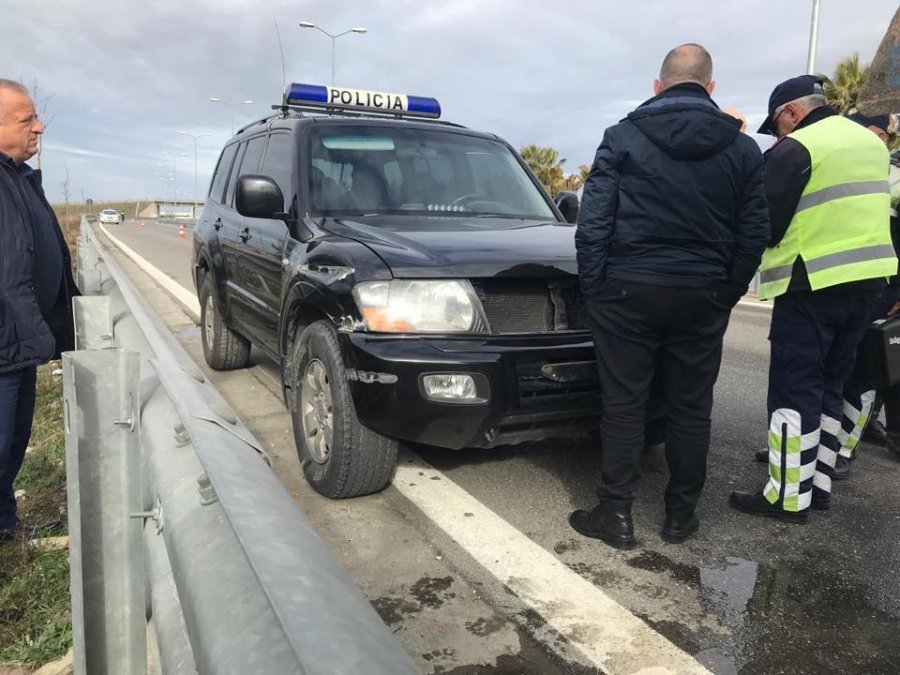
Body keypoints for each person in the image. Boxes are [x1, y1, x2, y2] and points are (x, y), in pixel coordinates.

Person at [571, 44, 769, 549]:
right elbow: (754, 234)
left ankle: (615, 514)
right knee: (690, 408)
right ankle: (681, 517)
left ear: (658, 86)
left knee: (624, 404)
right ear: (711, 88)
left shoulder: (622, 137)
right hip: (702, 290)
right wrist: (725, 291)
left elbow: (593, 226)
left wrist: (595, 289)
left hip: (627, 289)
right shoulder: (743, 150)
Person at [731, 76, 895, 522]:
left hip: (812, 284)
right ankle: (818, 484)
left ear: (791, 112)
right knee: (831, 387)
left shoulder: (799, 148)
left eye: (778, 124)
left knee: (793, 389)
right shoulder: (870, 145)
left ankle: (786, 496)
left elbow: (765, 222)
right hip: (867, 285)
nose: (779, 133)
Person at [0, 79, 77, 541]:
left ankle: (7, 528)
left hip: (19, 344)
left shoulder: (18, 177)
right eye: (26, 119)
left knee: (11, 446)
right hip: (6, 345)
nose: (39, 127)